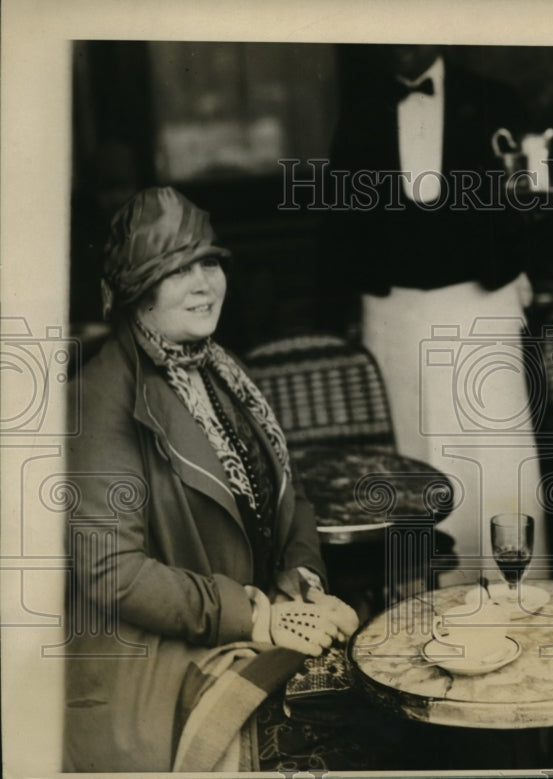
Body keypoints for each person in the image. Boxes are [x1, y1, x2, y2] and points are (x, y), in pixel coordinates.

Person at [63, 187, 360, 772]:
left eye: (210, 263)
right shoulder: (95, 401)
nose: (204, 284)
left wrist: (300, 581)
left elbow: (288, 491)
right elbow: (113, 574)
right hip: (154, 666)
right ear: (137, 288)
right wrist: (256, 618)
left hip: (246, 625)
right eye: (178, 270)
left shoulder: (220, 368)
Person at [321, 44, 548, 574]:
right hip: (393, 310)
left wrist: (517, 265)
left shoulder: (493, 99)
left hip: (480, 302)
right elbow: (338, 218)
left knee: (495, 449)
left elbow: (531, 195)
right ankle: (426, 593)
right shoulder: (362, 107)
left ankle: (514, 587)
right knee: (412, 447)